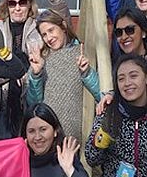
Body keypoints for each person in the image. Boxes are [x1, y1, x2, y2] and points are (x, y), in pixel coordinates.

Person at [0, 0, 70, 137]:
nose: (18, 7)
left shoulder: (39, 27)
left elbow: (63, 25)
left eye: (22, 2)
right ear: (6, 5)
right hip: (3, 106)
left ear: (29, 4)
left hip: (34, 101)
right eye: (12, 3)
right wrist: (11, 73)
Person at [25, 9, 99, 143]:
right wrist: (36, 75)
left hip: (77, 139)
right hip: (47, 139)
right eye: (44, 34)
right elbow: (34, 105)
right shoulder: (40, 60)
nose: (49, 38)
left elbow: (101, 95)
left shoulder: (82, 53)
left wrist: (87, 73)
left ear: (63, 26)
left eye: (51, 30)